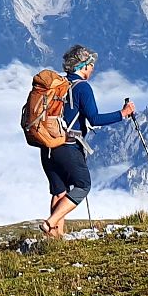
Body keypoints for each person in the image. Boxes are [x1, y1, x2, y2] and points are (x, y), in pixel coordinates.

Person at [41, 43, 136, 239]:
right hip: (67, 146)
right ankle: (50, 223)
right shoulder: (82, 87)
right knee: (83, 185)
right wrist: (123, 114)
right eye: (91, 65)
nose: (93, 69)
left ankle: (55, 239)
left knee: (59, 192)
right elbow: (95, 119)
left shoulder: (58, 85)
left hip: (47, 145)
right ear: (83, 66)